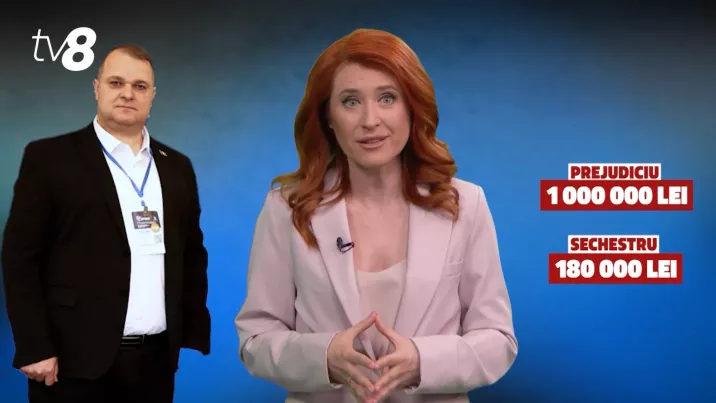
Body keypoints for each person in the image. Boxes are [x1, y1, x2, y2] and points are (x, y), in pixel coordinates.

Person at [234, 28, 517, 403]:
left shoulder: (465, 204)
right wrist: (324, 357)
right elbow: (256, 339)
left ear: (411, 108)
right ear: (328, 116)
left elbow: (498, 340)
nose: (370, 120)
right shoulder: (287, 208)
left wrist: (423, 361)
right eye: (350, 101)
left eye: (387, 98)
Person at [1, 44, 211, 403]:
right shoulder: (49, 158)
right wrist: (34, 346)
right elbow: (19, 258)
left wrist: (189, 330)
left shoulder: (177, 166)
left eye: (140, 86)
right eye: (116, 83)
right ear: (96, 88)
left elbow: (192, 253)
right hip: (70, 363)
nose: (128, 93)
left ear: (153, 95)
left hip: (154, 362)